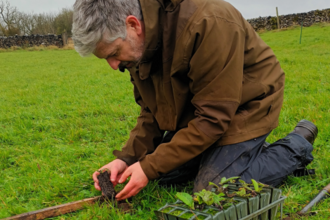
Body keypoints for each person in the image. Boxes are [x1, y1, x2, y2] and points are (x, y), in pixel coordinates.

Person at [72, 0, 318, 201]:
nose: (114, 66)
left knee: (214, 192)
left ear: (133, 24)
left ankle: (296, 143)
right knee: (160, 175)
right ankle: (239, 155)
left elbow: (213, 118)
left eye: (114, 54)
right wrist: (126, 159)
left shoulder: (207, 20)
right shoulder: (138, 47)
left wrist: (148, 166)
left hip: (248, 104)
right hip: (202, 108)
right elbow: (152, 111)